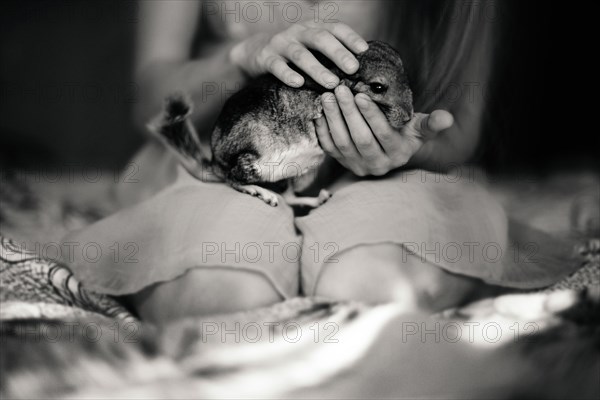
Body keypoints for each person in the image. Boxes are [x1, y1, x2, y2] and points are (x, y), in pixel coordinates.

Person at [62, 0, 541, 324]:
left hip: (385, 179)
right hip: (224, 159)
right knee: (228, 287)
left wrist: (404, 144)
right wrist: (239, 60)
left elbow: (456, 131)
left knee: (367, 283)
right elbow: (152, 102)